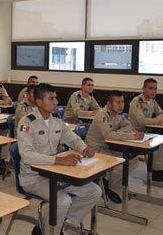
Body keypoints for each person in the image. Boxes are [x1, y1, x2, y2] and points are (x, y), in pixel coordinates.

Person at [17, 83, 101, 235]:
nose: (56, 102)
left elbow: (72, 138)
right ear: (39, 102)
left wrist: (84, 148)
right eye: (51, 98)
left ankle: (58, 224)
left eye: (55, 98)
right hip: (34, 177)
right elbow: (26, 155)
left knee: (94, 191)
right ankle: (50, 230)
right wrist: (58, 160)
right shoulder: (27, 123)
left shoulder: (56, 119)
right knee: (63, 201)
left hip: (56, 173)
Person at [86, 90, 144, 203]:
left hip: (108, 147)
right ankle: (108, 187)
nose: (121, 105)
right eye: (117, 102)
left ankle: (111, 186)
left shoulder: (118, 114)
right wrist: (130, 136)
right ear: (109, 104)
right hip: (96, 149)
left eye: (122, 102)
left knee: (132, 161)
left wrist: (118, 132)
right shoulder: (102, 115)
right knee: (119, 163)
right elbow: (108, 135)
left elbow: (128, 126)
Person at [129, 78, 163, 182]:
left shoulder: (152, 101)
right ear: (143, 88)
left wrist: (155, 120)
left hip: (148, 130)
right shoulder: (136, 101)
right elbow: (142, 121)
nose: (153, 91)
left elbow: (161, 113)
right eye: (150, 88)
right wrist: (160, 121)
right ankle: (156, 173)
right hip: (137, 132)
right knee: (158, 142)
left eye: (155, 89)